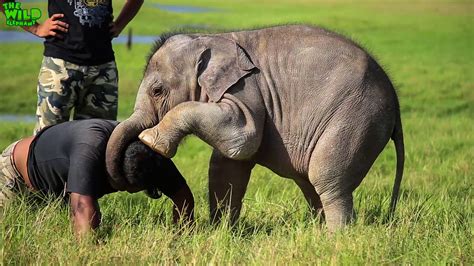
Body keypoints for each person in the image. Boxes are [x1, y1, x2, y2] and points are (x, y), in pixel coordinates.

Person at [0, 119, 194, 238]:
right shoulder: (90, 150)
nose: (128, 192)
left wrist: (180, 237)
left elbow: (183, 197)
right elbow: (83, 211)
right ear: (115, 169)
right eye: (126, 187)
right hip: (16, 174)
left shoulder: (149, 152)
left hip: (59, 187)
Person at [0, 0, 144, 134]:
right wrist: (35, 27)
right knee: (47, 142)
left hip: (103, 69)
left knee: (98, 142)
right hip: (59, 68)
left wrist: (120, 24)